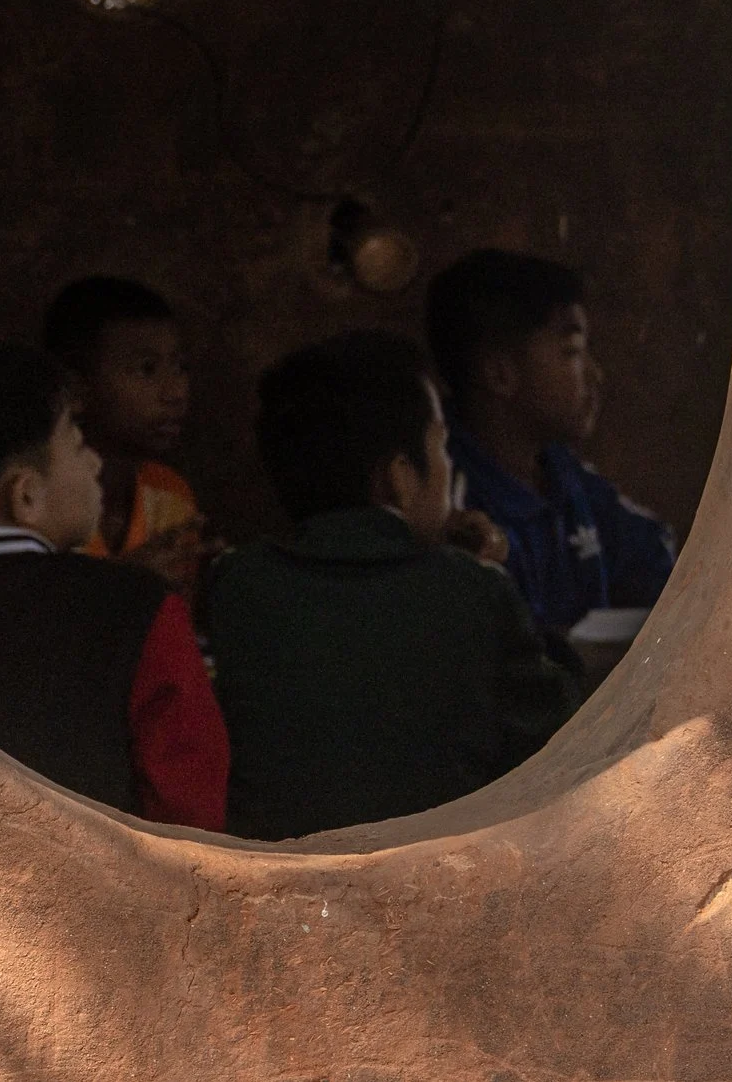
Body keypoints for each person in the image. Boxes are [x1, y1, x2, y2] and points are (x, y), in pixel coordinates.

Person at [205, 331, 580, 840]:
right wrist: (485, 579)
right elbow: (561, 745)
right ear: (400, 477)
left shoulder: (235, 587)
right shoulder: (475, 594)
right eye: (442, 445)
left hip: (285, 886)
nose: (450, 469)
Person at [0, 343, 228, 830]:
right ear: (25, 496)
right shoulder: (140, 608)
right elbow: (191, 818)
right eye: (77, 444)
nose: (95, 465)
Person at [425, 249, 678, 643]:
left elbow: (660, 557)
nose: (596, 374)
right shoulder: (451, 502)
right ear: (501, 374)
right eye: (572, 352)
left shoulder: (564, 475)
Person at [41, 276, 203, 584]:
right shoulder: (34, 503)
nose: (175, 392)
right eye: (146, 369)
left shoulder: (170, 494)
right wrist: (122, 586)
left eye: (180, 367)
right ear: (76, 388)